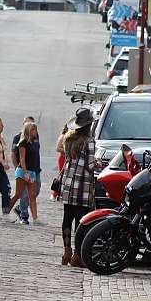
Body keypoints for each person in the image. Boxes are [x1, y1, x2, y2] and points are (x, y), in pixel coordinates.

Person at [60, 108, 97, 267]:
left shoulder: (68, 139)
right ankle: (77, 254)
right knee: (81, 221)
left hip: (68, 184)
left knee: (67, 218)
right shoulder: (89, 141)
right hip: (82, 185)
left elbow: (69, 160)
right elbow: (90, 165)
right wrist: (100, 163)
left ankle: (66, 251)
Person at [8, 122, 40, 225]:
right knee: (18, 194)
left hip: (32, 172)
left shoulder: (35, 142)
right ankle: (5, 212)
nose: (36, 132)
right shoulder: (23, 142)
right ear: (29, 131)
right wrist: (25, 173)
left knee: (32, 195)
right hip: (23, 171)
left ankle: (35, 219)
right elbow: (22, 159)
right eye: (34, 130)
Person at [52, 123, 69, 200]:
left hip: (67, 158)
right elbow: (58, 148)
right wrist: (68, 151)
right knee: (61, 176)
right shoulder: (63, 136)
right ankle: (55, 193)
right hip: (62, 158)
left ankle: (60, 193)